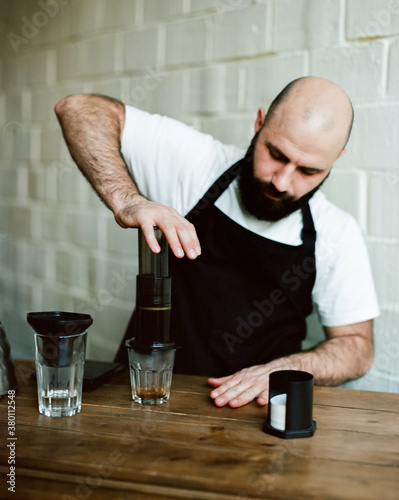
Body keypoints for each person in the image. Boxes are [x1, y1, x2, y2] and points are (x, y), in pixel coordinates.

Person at [55, 76, 379, 408]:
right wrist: (127, 199)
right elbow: (79, 109)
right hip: (147, 399)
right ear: (259, 123)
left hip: (252, 421)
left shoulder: (335, 232)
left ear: (335, 159)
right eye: (276, 154)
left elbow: (356, 348)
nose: (282, 182)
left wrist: (286, 368)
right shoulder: (197, 165)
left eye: (308, 171)